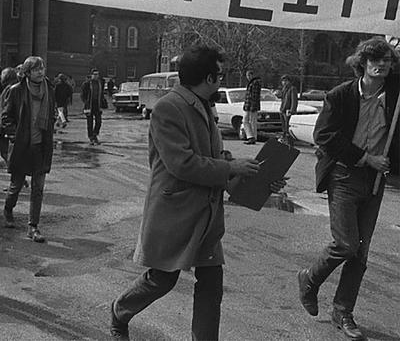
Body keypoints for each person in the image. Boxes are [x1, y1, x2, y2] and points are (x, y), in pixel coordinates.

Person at [109, 45, 283, 341]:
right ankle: (119, 312)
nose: (222, 80)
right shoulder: (168, 107)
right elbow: (182, 164)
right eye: (220, 75)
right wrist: (232, 168)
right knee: (162, 279)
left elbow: (214, 156)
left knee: (211, 284)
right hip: (176, 212)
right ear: (209, 78)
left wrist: (258, 178)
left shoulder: (203, 105)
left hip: (206, 214)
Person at [297, 37, 399, 341]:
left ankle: (343, 312)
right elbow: (324, 136)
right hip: (344, 175)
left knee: (361, 253)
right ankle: (309, 279)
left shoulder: (395, 94)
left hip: (375, 181)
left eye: (387, 61)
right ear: (362, 64)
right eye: (375, 60)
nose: (381, 65)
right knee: (346, 243)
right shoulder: (340, 96)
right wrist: (366, 157)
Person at [0, 56, 56, 243]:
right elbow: (6, 117)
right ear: (27, 72)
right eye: (36, 69)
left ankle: (33, 227)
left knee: (38, 188)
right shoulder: (16, 91)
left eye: (42, 68)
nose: (41, 72)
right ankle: (8, 209)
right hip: (22, 146)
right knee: (16, 185)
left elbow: (52, 113)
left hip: (41, 146)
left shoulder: (49, 90)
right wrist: (15, 136)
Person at [81, 68, 106, 145]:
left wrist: (102, 103)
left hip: (97, 105)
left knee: (99, 121)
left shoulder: (100, 83)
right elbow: (83, 95)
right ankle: (91, 137)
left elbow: (101, 94)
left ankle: (95, 133)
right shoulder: (87, 84)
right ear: (91, 75)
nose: (96, 76)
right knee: (90, 122)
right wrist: (86, 102)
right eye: (94, 74)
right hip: (89, 105)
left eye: (97, 74)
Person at [242, 69, 261, 144]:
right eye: (247, 76)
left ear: (252, 75)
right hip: (248, 105)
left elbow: (254, 96)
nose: (248, 77)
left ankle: (252, 137)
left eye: (249, 75)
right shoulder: (251, 83)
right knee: (246, 120)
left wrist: (253, 106)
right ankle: (251, 137)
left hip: (252, 105)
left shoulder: (255, 82)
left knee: (252, 121)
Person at [279, 75, 298, 143]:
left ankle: (289, 140)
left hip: (288, 110)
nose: (284, 82)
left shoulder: (292, 89)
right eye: (283, 81)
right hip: (283, 110)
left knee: (288, 126)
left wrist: (292, 110)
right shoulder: (284, 89)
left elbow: (294, 101)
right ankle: (284, 137)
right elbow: (283, 100)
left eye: (286, 81)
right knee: (284, 126)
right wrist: (281, 109)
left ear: (289, 81)